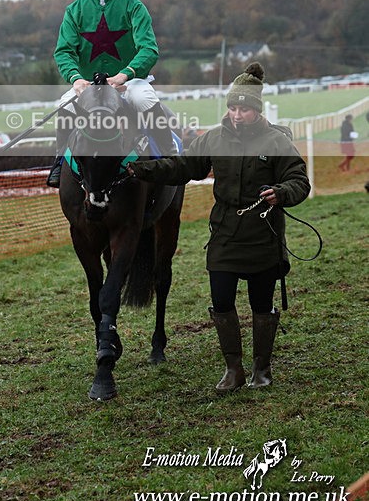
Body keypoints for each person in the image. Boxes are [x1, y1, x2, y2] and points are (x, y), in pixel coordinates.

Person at [126, 62, 311, 392]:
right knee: (221, 300)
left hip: (263, 235)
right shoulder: (213, 138)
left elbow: (299, 180)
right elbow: (183, 166)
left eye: (245, 109)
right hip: (225, 232)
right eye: (233, 107)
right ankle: (233, 370)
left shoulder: (276, 141)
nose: (238, 115)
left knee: (261, 304)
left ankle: (262, 369)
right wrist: (145, 170)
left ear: (257, 109)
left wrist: (281, 193)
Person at [47, 0, 174, 187]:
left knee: (143, 97)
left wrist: (125, 74)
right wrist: (76, 80)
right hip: (89, 87)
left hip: (128, 83)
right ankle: (60, 161)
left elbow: (149, 49)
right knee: (64, 104)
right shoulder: (75, 9)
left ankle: (169, 159)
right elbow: (63, 52)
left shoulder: (133, 5)